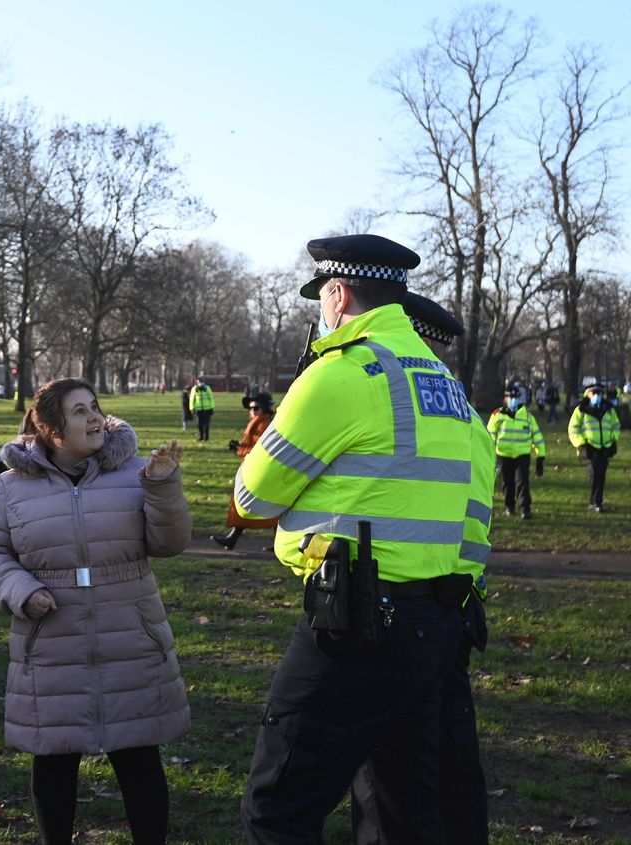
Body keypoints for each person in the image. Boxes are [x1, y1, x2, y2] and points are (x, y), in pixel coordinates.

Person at [234, 234, 492, 843]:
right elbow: (474, 510)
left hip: (355, 624)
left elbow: (251, 499)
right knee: (402, 812)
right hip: (438, 620)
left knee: (277, 809)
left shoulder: (341, 374)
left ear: (338, 294)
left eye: (323, 298)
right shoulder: (448, 389)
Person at [0, 378, 191, 845]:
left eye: (95, 406)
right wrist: (21, 590)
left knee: (138, 761)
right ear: (50, 429)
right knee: (54, 761)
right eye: (79, 411)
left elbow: (170, 544)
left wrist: (161, 487)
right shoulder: (11, 487)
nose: (95, 417)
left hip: (129, 637)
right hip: (50, 643)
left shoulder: (135, 472)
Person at [351, 290, 494, 844]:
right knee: (451, 755)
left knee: (388, 770)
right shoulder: (464, 414)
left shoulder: (407, 408)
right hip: (455, 602)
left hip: (405, 604)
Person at [212, 391, 277, 550]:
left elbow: (258, 451)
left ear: (265, 409)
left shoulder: (263, 425)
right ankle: (233, 538)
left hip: (262, 472)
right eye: (251, 408)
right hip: (260, 470)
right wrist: (240, 447)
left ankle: (233, 538)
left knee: (250, 502)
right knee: (257, 504)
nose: (252, 411)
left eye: (256, 408)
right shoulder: (259, 423)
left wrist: (240, 450)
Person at [487, 387, 546, 519]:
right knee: (507, 483)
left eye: (515, 397)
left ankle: (525, 509)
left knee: (522, 482)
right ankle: (509, 507)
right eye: (509, 397)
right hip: (503, 454)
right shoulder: (497, 415)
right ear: (505, 398)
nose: (512, 400)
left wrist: (540, 456)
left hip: (522, 455)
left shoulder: (527, 416)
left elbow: (537, 436)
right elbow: (490, 436)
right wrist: (489, 454)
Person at [568, 384, 620, 512]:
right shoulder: (581, 410)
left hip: (605, 446)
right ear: (588, 395)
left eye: (599, 393)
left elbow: (616, 424)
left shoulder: (608, 409)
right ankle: (596, 502)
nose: (597, 396)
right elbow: (573, 428)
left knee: (601, 474)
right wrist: (580, 443)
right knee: (595, 473)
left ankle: (596, 501)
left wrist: (613, 437)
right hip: (589, 446)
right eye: (594, 393)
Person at [189, 375, 215, 440]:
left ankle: (206, 437)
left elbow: (211, 398)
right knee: (199, 424)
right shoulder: (194, 389)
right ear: (197, 382)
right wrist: (192, 408)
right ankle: (201, 436)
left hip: (207, 409)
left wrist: (212, 408)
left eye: (202, 382)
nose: (201, 383)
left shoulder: (207, 388)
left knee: (206, 424)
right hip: (198, 410)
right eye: (199, 382)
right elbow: (192, 399)